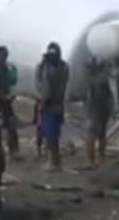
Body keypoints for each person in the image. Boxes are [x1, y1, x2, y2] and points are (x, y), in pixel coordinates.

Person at [35, 42, 70, 172]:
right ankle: (55, 160)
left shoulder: (49, 69)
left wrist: (42, 104)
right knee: (53, 134)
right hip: (58, 104)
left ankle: (53, 162)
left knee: (51, 135)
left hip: (49, 105)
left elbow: (45, 90)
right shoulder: (64, 67)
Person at [84, 58, 114, 169]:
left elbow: (107, 95)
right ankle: (98, 158)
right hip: (99, 110)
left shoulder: (95, 80)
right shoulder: (98, 80)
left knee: (94, 135)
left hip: (97, 110)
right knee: (98, 135)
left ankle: (93, 159)